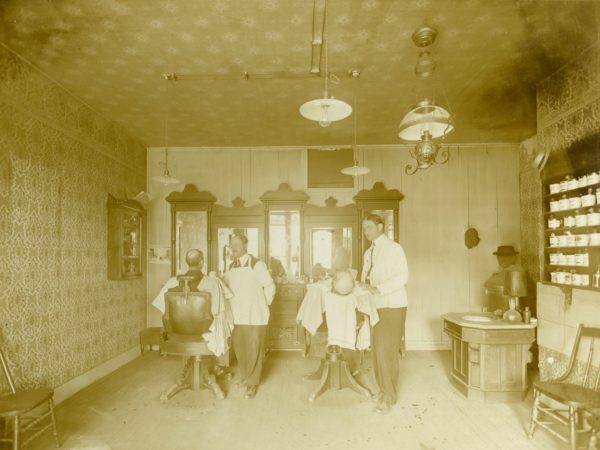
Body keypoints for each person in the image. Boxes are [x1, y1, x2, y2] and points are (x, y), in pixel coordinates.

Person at [360, 214, 409, 414]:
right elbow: (367, 277)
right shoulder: (368, 252)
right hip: (375, 305)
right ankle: (382, 389)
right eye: (364, 228)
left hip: (392, 305)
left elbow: (403, 276)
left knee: (387, 351)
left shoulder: (394, 248)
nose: (366, 232)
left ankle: (389, 396)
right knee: (377, 350)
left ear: (381, 226)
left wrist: (379, 289)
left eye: (370, 227)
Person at [224, 234, 275, 399]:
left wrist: (262, 305)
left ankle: (253, 383)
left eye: (237, 244)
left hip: (255, 315)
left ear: (246, 245)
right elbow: (225, 287)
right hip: (237, 315)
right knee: (240, 349)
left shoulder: (257, 264)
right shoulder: (231, 267)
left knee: (253, 349)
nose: (234, 248)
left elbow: (269, 286)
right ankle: (246, 377)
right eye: (232, 245)